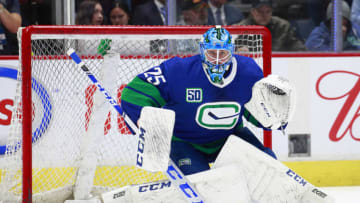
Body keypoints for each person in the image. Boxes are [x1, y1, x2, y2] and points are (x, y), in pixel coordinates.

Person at [121, 26, 289, 175]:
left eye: (222, 53)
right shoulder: (179, 70)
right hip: (184, 142)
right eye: (211, 53)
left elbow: (254, 110)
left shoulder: (249, 72)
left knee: (269, 168)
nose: (216, 60)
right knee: (203, 186)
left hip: (229, 138)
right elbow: (133, 93)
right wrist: (142, 118)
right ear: (202, 51)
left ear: (231, 52)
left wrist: (274, 119)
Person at [235, 0, 307, 52]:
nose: (264, 15)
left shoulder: (282, 26)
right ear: (252, 12)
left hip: (278, 63)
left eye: (268, 11)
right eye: (260, 11)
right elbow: (228, 49)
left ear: (272, 12)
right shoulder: (240, 28)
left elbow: (297, 46)